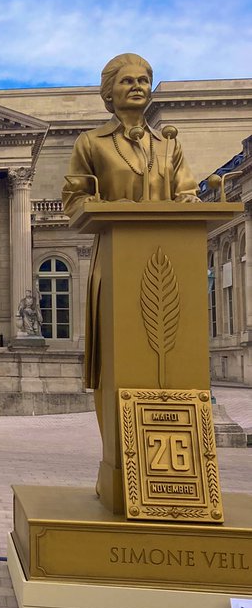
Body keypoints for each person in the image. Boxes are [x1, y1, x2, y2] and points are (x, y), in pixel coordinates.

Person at [61, 52, 198, 391]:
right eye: (127, 81)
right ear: (109, 93)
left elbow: (187, 192)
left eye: (143, 80)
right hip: (114, 255)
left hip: (169, 258)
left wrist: (189, 202)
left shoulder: (168, 143)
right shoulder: (91, 143)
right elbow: (74, 198)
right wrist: (105, 206)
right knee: (118, 349)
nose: (138, 86)